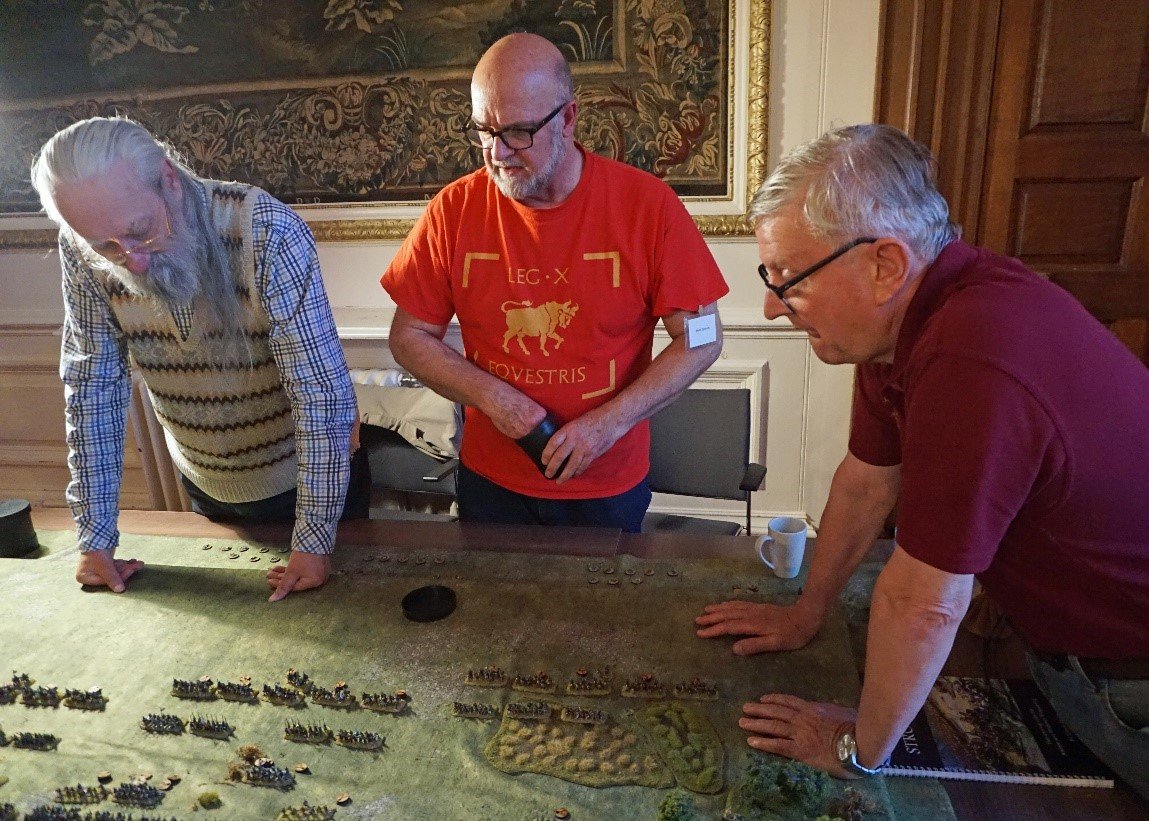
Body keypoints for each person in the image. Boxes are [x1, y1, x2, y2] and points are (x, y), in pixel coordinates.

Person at [695, 124, 1149, 796]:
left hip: (1129, 675)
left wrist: (860, 749)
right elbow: (865, 485)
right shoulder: (896, 327)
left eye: (788, 277)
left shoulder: (972, 351)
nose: (769, 306)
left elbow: (925, 602)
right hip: (1061, 648)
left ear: (883, 265)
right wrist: (805, 612)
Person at [382, 33, 728, 532]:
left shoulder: (647, 207)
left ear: (567, 118)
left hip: (606, 486)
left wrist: (605, 426)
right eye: (484, 131)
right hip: (491, 482)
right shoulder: (453, 211)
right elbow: (409, 336)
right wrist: (496, 400)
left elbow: (701, 338)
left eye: (519, 132)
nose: (498, 153)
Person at [31, 116, 368, 603]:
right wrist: (94, 538)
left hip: (310, 481)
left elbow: (319, 395)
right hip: (205, 485)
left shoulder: (266, 228)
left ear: (169, 179)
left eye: (141, 231)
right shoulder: (85, 246)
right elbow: (92, 387)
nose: (132, 261)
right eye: (106, 247)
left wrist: (313, 543)